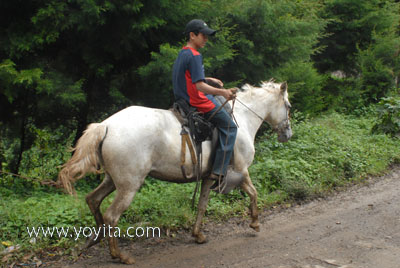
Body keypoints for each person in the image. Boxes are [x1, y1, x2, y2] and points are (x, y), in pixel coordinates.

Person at [172, 19, 238, 186]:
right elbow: (199, 86)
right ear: (192, 35)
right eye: (203, 35)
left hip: (182, 98)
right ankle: (219, 171)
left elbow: (188, 77)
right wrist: (223, 92)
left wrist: (208, 79)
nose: (206, 39)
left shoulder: (183, 52)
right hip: (196, 101)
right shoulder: (195, 56)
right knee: (230, 127)